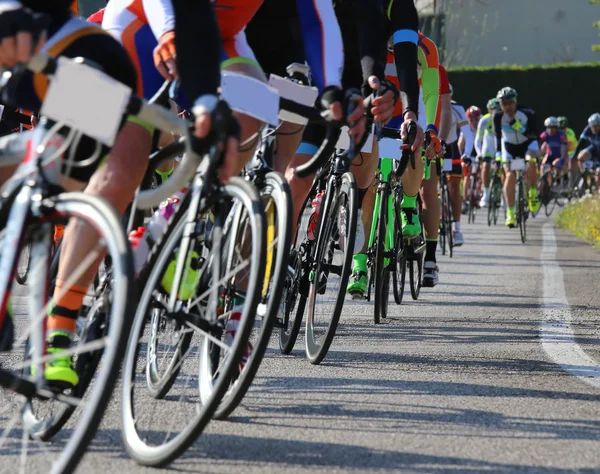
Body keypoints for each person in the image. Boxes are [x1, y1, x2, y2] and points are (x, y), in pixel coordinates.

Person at [493, 86, 540, 228]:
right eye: (504, 104)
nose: (507, 107)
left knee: (531, 161)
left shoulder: (527, 112)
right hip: (509, 147)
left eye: (510, 103)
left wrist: (518, 126)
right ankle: (510, 212)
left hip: (527, 144)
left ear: (515, 101)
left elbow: (534, 134)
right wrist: (498, 155)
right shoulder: (498, 116)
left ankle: (532, 193)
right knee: (509, 175)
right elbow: (498, 137)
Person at [442, 87, 473, 247]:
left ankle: (457, 229)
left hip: (451, 150)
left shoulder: (457, 108)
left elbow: (468, 134)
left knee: (454, 188)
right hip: (433, 148)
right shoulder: (426, 105)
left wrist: (466, 154)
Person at [475, 98, 499, 207]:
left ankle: (503, 195)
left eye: (497, 109)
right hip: (488, 147)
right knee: (485, 166)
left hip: (500, 147)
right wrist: (479, 153)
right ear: (489, 110)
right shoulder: (484, 120)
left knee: (504, 168)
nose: (495, 111)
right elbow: (478, 139)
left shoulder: (505, 119)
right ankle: (486, 193)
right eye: (492, 109)